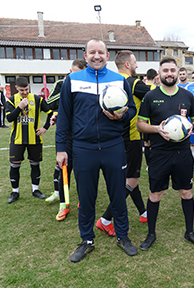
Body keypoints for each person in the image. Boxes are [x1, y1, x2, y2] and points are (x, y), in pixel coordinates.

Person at [56, 39, 138, 262]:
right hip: (83, 148)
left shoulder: (120, 80)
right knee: (87, 197)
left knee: (118, 196)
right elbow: (64, 116)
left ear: (107, 55)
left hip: (113, 146)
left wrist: (123, 115)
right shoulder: (72, 80)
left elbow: (131, 109)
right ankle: (87, 240)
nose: (97, 56)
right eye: (92, 52)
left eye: (101, 52)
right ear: (85, 55)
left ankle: (123, 236)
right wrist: (61, 148)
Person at [137, 57, 194, 251]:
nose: (169, 73)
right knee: (155, 194)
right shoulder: (150, 97)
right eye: (165, 70)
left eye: (172, 70)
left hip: (182, 153)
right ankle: (151, 234)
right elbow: (140, 124)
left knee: (186, 192)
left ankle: (190, 232)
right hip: (158, 153)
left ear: (177, 73)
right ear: (159, 73)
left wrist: (191, 126)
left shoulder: (187, 96)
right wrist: (157, 129)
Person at [95, 50, 149, 237]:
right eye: (135, 62)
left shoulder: (112, 82)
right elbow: (157, 96)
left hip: (117, 137)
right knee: (132, 179)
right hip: (132, 137)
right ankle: (105, 220)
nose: (136, 65)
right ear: (127, 64)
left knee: (130, 177)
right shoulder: (134, 83)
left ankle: (143, 213)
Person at [44, 59, 87, 221]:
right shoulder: (62, 84)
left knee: (83, 171)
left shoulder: (88, 84)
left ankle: (83, 200)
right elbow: (50, 103)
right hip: (66, 134)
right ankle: (64, 204)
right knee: (64, 170)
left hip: (83, 134)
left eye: (78, 74)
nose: (73, 76)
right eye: (72, 73)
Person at [5, 77, 53, 204]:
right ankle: (15, 192)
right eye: (22, 90)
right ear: (16, 88)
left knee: (35, 165)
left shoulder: (38, 99)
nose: (25, 92)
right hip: (17, 139)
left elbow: (50, 113)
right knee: (15, 166)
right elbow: (9, 118)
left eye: (26, 89)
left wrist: (45, 128)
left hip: (34, 139)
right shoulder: (11, 100)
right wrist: (19, 107)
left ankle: (35, 190)